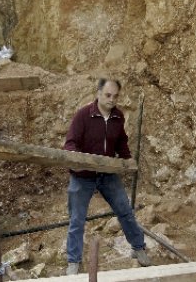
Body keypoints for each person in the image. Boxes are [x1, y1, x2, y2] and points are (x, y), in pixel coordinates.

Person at [64, 78, 151, 275]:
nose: (112, 99)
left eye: (115, 96)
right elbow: (70, 143)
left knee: (125, 211)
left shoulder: (118, 117)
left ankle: (138, 248)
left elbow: (121, 142)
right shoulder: (83, 116)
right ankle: (73, 261)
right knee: (77, 220)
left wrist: (127, 159)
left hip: (108, 174)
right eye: (108, 95)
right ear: (98, 93)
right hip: (82, 176)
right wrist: (76, 159)